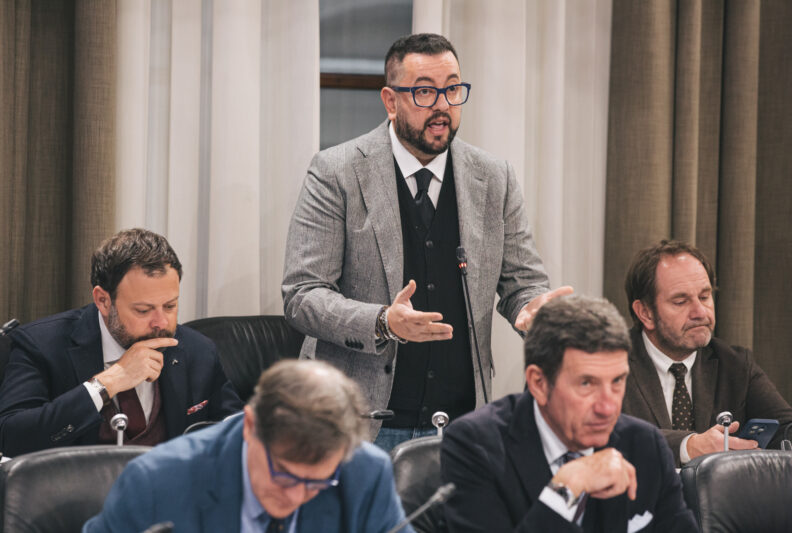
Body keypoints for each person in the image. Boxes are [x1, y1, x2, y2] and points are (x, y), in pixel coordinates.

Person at [282, 33, 570, 450]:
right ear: (390, 100)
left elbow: (522, 282)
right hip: (358, 421)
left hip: (462, 422)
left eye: (452, 89)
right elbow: (302, 295)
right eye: (424, 92)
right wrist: (383, 321)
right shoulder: (336, 173)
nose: (442, 106)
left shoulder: (494, 178)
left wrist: (532, 309)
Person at [441, 295, 698, 532]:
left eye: (617, 381)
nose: (608, 408)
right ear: (539, 383)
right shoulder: (474, 446)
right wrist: (567, 488)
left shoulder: (644, 445)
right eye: (586, 384)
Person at [83, 359, 412, 533]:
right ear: (250, 426)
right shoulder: (157, 483)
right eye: (283, 475)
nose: (295, 496)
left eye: (316, 483)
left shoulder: (364, 473)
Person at [0, 228, 241, 456]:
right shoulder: (42, 345)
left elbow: (240, 432)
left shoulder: (198, 351)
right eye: (143, 310)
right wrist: (106, 384)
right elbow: (6, 438)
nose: (161, 322)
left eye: (170, 306)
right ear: (103, 301)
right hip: (77, 489)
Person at [622, 240, 792, 465]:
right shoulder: (609, 362)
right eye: (681, 301)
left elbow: (785, 429)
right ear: (645, 313)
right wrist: (687, 446)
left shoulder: (735, 364)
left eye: (704, 297)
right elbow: (606, 437)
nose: (700, 312)